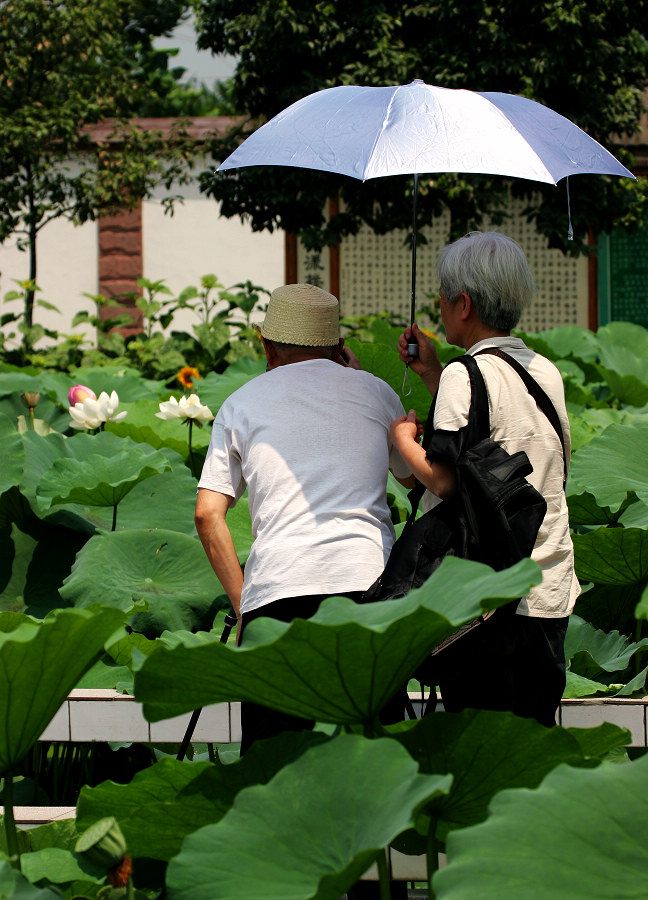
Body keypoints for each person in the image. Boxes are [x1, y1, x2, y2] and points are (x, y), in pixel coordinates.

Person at [195, 282, 413, 753]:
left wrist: (244, 605)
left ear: (268, 347)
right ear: (338, 347)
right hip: (368, 588)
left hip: (277, 592)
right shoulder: (376, 393)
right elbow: (413, 480)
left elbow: (208, 515)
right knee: (381, 766)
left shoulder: (241, 403)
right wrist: (361, 382)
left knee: (275, 776)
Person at [391, 231, 580, 728]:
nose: (438, 303)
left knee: (475, 747)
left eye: (443, 295)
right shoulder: (545, 371)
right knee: (522, 753)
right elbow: (495, 445)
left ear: (464, 303)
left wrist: (403, 439)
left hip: (488, 603)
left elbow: (446, 480)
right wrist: (435, 376)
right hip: (548, 589)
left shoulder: (465, 374)